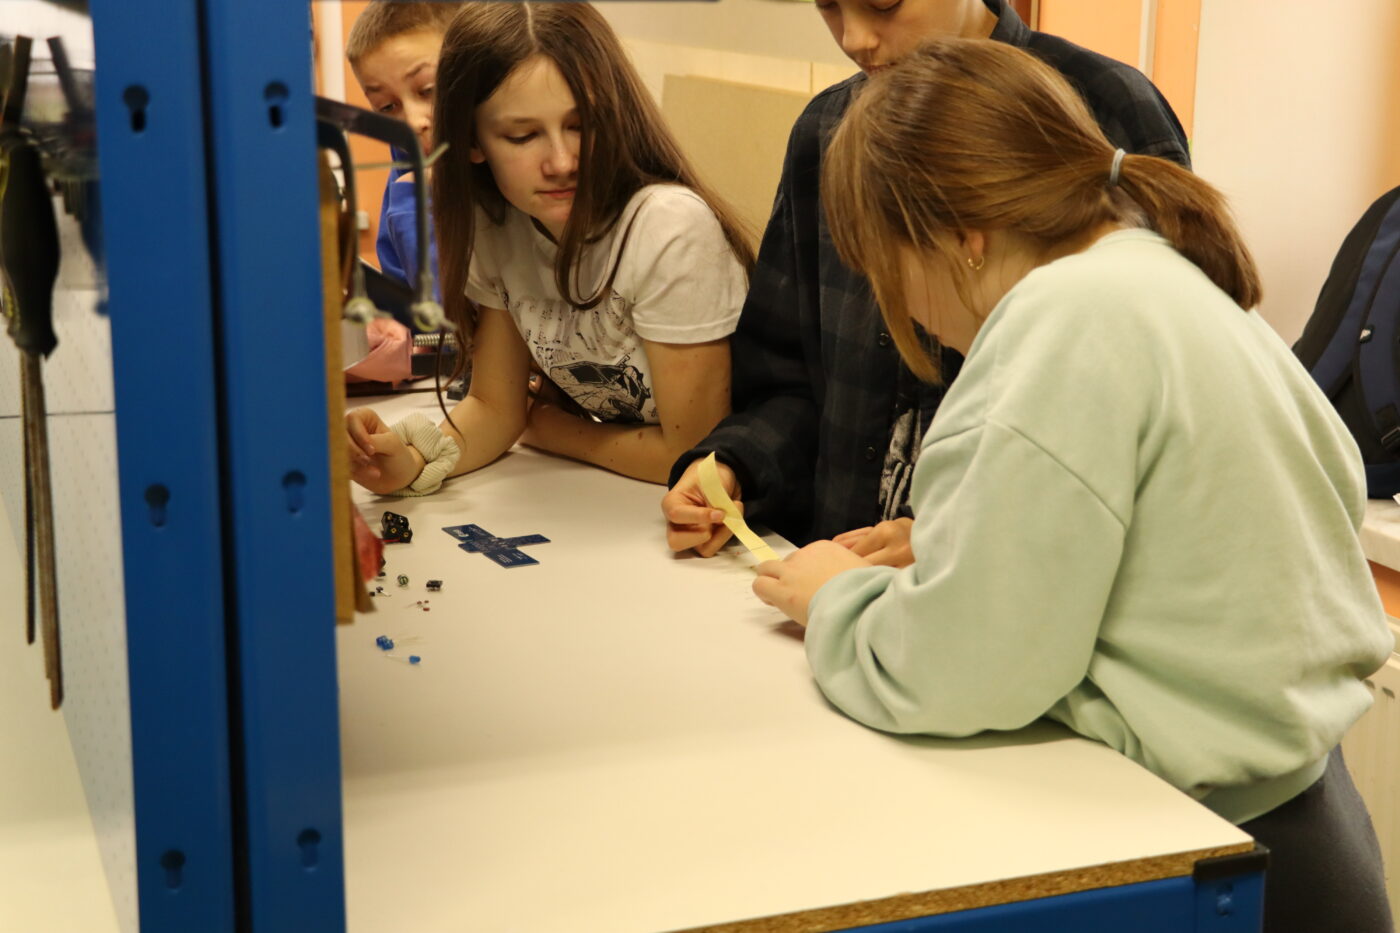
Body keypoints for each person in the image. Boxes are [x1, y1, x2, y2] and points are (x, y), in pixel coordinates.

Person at [752, 37, 1395, 933]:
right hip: (1312, 824)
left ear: (962, 239)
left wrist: (834, 599)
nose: (904, 310)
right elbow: (1191, 540)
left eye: (886, 270)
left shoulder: (1059, 319)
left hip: (1210, 852)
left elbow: (971, 670)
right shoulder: (1156, 277)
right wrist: (961, 533)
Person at [662, 0, 1190, 565]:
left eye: (883, 3)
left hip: (1003, 580)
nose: (855, 38)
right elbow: (787, 378)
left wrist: (949, 536)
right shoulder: (824, 132)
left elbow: (1120, 428)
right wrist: (736, 464)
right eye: (829, 6)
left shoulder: (1103, 107)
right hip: (835, 581)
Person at [346, 2, 753, 494]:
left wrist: (551, 429)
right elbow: (495, 409)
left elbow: (693, 456)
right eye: (523, 136)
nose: (561, 162)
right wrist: (412, 463)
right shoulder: (495, 225)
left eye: (581, 125)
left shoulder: (669, 228)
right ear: (472, 143)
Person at [346, 1, 459, 298]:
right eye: (387, 107)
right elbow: (432, 313)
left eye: (428, 90)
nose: (411, 122)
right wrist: (415, 205)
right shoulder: (406, 179)